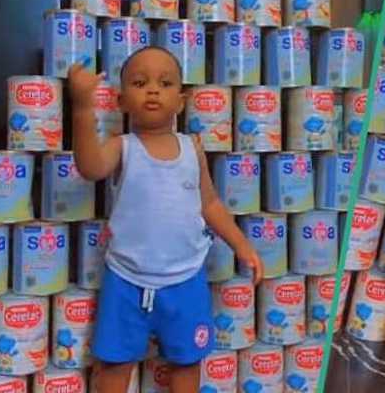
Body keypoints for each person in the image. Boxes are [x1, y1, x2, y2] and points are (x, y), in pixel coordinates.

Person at [68, 47, 264, 393]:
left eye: (165, 83)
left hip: (186, 277)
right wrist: (83, 108)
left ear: (181, 102)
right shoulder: (121, 146)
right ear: (121, 101)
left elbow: (210, 203)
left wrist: (242, 245)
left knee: (187, 361)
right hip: (126, 278)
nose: (153, 90)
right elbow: (90, 167)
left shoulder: (192, 149)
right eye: (139, 83)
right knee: (115, 364)